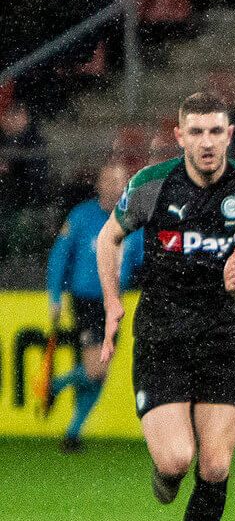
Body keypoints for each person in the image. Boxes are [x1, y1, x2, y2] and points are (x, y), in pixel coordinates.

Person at [96, 92, 235, 521]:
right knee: (177, 457)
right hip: (164, 337)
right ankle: (167, 471)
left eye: (216, 132)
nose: (206, 143)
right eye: (195, 133)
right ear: (180, 137)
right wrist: (112, 304)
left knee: (215, 466)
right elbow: (106, 240)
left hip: (227, 338)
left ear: (229, 135)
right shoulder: (152, 185)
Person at [43, 162, 143, 451]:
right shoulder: (82, 216)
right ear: (99, 184)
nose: (114, 187)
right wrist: (54, 297)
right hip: (87, 300)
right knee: (96, 369)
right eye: (109, 181)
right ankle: (56, 386)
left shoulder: (134, 223)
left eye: (119, 181)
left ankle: (72, 433)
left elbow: (141, 264)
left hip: (115, 304)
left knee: (100, 373)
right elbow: (60, 257)